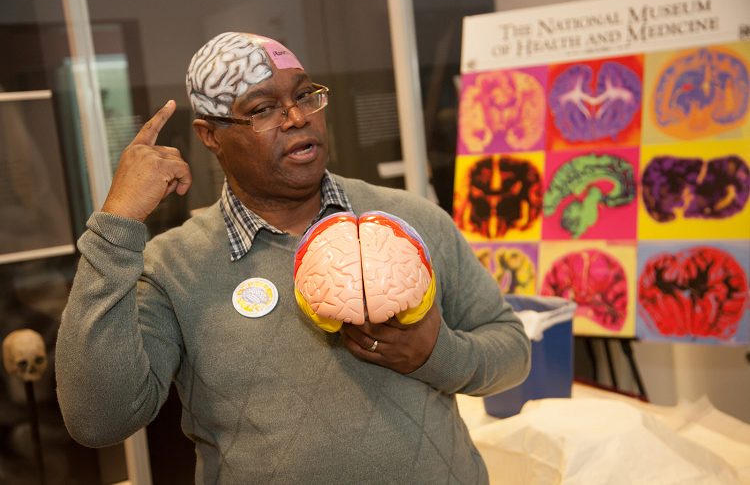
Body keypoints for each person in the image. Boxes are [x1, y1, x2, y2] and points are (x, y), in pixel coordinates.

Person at [56, 32, 530, 484]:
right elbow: (100, 420)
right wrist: (116, 225)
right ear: (211, 135)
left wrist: (436, 353)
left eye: (305, 96)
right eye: (262, 109)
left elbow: (511, 348)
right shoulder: (174, 267)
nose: (298, 118)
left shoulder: (408, 220)